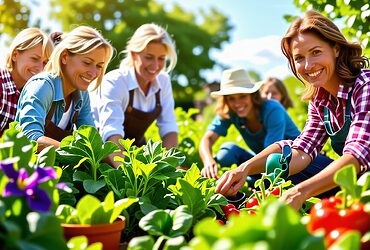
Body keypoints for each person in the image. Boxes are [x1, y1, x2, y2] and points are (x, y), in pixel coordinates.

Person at [215, 10, 369, 211]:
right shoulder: (319, 98)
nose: (308, 65)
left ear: (336, 49)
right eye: (299, 58)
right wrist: (244, 169)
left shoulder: (364, 85)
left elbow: (358, 155)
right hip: (357, 181)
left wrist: (301, 191)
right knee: (279, 162)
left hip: (363, 176)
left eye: (316, 52)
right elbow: (302, 150)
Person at [90, 23, 178, 168]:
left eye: (161, 58)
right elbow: (112, 132)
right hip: (103, 152)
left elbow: (169, 127)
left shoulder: (163, 81)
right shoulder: (116, 81)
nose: (155, 66)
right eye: (149, 57)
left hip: (134, 152)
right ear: (134, 54)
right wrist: (127, 176)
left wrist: (169, 167)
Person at [15, 26, 113, 151]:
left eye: (99, 66)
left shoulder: (82, 95)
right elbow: (30, 137)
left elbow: (93, 143)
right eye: (87, 63)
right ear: (65, 56)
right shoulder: (42, 86)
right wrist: (76, 153)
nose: (93, 73)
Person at [199, 68, 301, 179]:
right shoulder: (230, 112)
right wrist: (208, 161)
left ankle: (249, 181)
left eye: (242, 96)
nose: (237, 104)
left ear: (253, 95)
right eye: (231, 99)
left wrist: (240, 172)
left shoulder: (272, 109)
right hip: (261, 165)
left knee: (257, 174)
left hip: (292, 164)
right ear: (226, 101)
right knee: (227, 152)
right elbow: (207, 139)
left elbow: (271, 155)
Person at [0, 27, 53, 136]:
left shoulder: (36, 95)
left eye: (45, 63)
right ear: (15, 55)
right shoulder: (1, 85)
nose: (40, 68)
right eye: (34, 59)